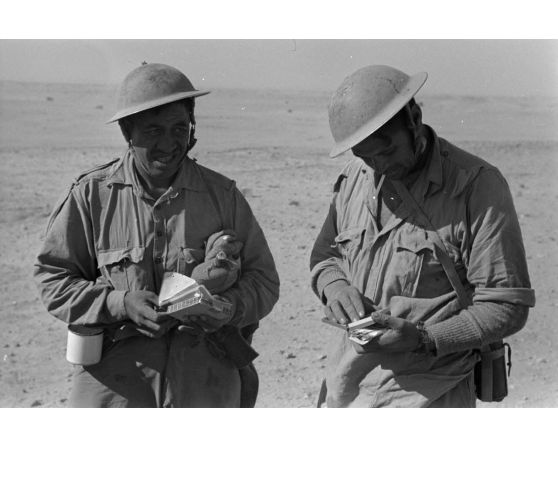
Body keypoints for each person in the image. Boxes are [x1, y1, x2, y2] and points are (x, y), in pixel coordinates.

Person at [34, 62, 280, 408]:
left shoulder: (223, 196)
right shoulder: (91, 196)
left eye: (179, 128)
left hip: (203, 376)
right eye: (152, 132)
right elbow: (52, 279)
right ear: (127, 133)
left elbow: (265, 282)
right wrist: (120, 304)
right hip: (116, 379)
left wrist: (225, 308)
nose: (169, 143)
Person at [310, 65, 535, 408]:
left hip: (430, 396)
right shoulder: (354, 178)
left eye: (385, 151)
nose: (378, 165)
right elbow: (326, 255)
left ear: (413, 118)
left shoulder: (477, 188)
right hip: (348, 389)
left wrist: (424, 338)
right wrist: (335, 286)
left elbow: (506, 305)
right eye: (364, 155)